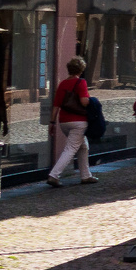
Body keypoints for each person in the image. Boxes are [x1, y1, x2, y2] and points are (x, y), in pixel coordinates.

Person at [46, 57, 97, 187]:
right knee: (70, 149)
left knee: (83, 146)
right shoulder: (81, 83)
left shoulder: (62, 84)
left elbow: (56, 105)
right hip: (79, 122)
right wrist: (93, 101)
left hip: (64, 122)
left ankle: (86, 175)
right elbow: (84, 101)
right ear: (81, 70)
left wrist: (52, 123)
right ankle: (54, 175)